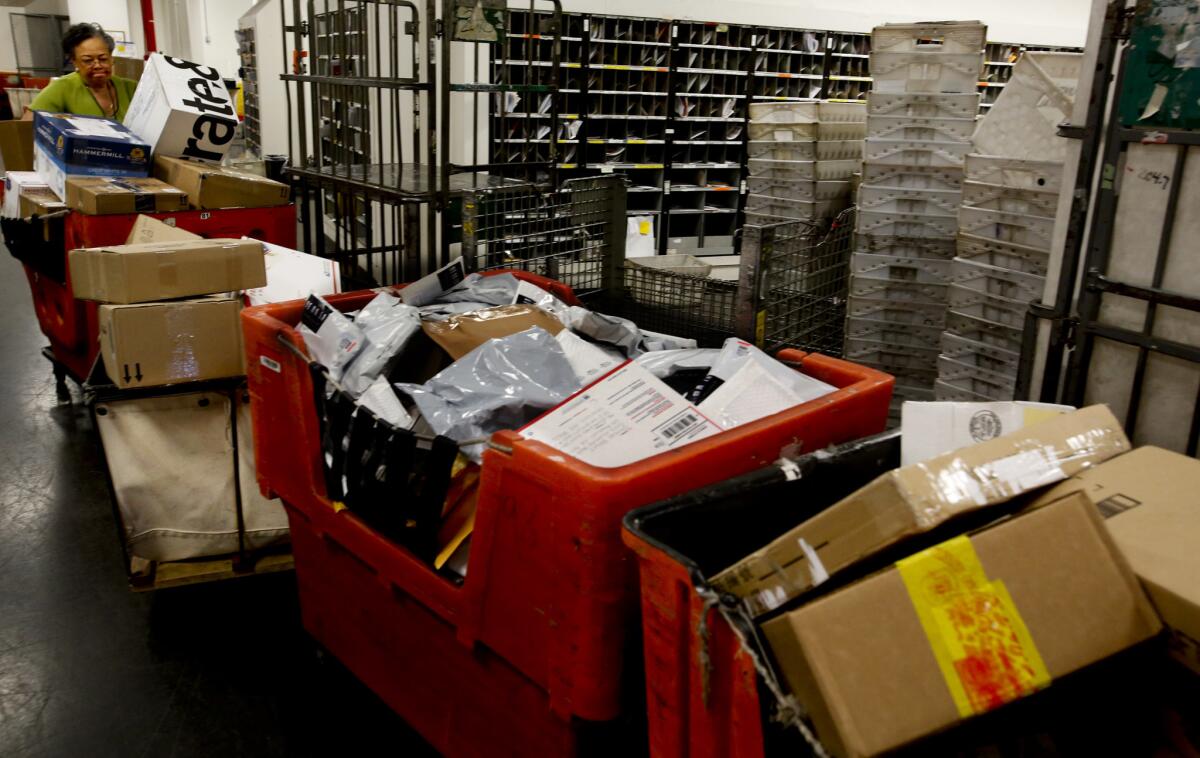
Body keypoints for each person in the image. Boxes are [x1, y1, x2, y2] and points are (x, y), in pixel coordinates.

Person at [24, 23, 138, 121]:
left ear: (111, 58)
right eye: (88, 60)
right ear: (75, 62)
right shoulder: (62, 88)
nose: (98, 65)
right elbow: (25, 127)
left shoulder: (130, 88)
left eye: (103, 58)